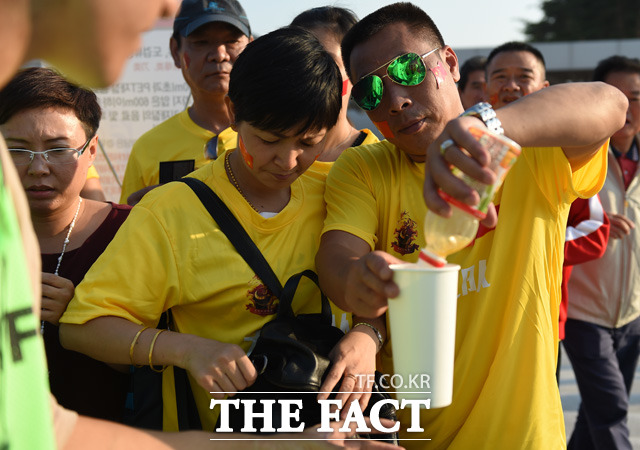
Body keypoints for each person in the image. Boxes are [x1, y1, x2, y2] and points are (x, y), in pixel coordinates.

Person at [0, 1, 394, 448]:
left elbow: (383, 281)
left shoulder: (340, 188)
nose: (287, 161)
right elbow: (82, 326)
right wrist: (187, 350)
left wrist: (367, 332)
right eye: (267, 140)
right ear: (234, 114)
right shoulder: (171, 211)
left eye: (308, 143)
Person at [315, 2, 627, 448]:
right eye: (370, 92)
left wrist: (486, 126)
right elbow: (338, 259)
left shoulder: (527, 150)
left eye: (406, 69)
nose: (396, 101)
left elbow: (610, 103)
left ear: (449, 62)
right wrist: (357, 284)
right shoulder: (366, 168)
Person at [0, 67, 132, 422]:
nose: (38, 168)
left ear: (91, 152)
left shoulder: (130, 231)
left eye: (58, 150)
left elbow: (152, 365)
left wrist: (80, 316)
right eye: (18, 150)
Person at [484, 41, 611, 382]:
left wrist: (527, 248)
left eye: (523, 76)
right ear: (484, 89)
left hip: (539, 324)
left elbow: (596, 231)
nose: (510, 85)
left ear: (544, 90)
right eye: (500, 76)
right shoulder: (464, 152)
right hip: (475, 323)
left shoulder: (564, 156)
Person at [563, 55, 640, 450]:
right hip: (583, 314)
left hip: (632, 315)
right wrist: (596, 220)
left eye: (637, 96)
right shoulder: (576, 157)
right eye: (617, 96)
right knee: (610, 411)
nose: (627, 107)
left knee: (598, 413)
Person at [119, 0, 251, 205]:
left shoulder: (277, 135)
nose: (219, 55)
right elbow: (130, 227)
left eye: (232, 41)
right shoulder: (148, 148)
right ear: (175, 51)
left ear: (250, 46)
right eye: (201, 42)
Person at [290, 6, 378, 176]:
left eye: (327, 61)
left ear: (356, 73)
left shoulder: (378, 163)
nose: (313, 71)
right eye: (301, 58)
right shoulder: (267, 156)